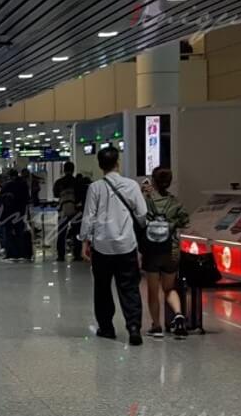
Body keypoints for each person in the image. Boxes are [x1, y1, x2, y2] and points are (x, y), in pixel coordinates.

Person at [79, 145, 149, 344]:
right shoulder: (131, 186)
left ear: (100, 165)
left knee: (102, 288)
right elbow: (142, 214)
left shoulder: (95, 187)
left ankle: (107, 328)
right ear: (118, 163)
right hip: (126, 245)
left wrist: (84, 241)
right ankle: (133, 327)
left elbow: (88, 217)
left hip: (102, 246)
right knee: (129, 288)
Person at [141, 166, 191, 338]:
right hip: (172, 249)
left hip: (152, 250)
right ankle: (178, 314)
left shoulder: (147, 200)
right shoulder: (175, 202)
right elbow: (185, 220)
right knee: (169, 288)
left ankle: (156, 326)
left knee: (153, 291)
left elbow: (139, 218)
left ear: (153, 181)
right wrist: (171, 224)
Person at [1, 168, 32, 261]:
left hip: (8, 213)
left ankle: (11, 254)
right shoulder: (23, 184)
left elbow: (2, 200)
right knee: (20, 232)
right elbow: (27, 199)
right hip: (20, 212)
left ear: (10, 176)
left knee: (9, 233)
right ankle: (22, 253)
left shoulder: (6, 185)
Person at [53, 162, 80, 261]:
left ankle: (61, 255)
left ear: (64, 170)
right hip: (75, 210)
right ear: (73, 170)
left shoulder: (59, 182)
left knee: (61, 233)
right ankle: (77, 254)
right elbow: (80, 195)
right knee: (76, 232)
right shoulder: (77, 182)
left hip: (63, 209)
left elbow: (55, 194)